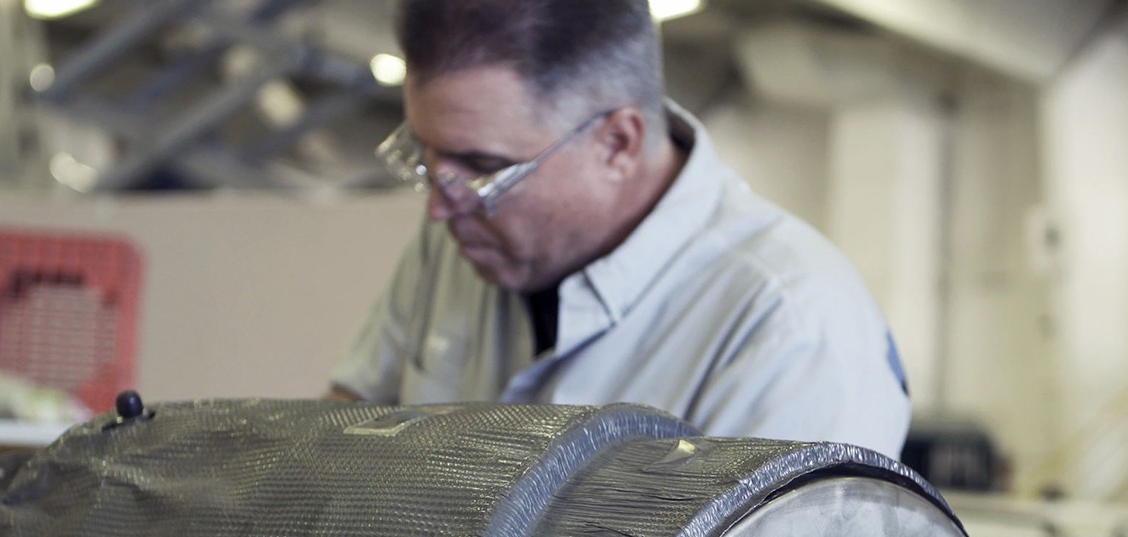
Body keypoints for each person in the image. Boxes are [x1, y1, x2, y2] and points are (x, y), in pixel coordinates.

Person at [329, 0, 911, 457]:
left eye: (483, 169)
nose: (439, 207)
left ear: (616, 143)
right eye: (426, 156)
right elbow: (343, 438)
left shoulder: (789, 326)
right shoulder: (456, 241)